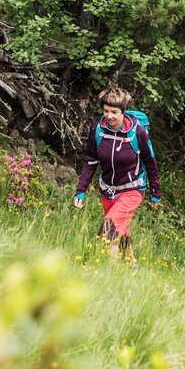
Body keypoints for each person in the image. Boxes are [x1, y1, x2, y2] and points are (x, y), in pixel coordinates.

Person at [73, 85, 160, 265]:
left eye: (114, 112)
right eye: (106, 111)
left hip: (132, 189)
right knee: (121, 229)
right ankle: (132, 266)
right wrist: (80, 191)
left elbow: (150, 163)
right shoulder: (98, 129)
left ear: (124, 112)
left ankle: (111, 276)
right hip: (107, 190)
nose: (109, 116)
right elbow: (90, 161)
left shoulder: (138, 132)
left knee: (108, 232)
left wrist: (155, 193)